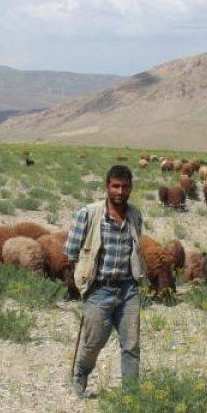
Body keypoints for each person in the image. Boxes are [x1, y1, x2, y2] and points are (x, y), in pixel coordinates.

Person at [63, 164, 147, 398]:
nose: (120, 191)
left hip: (128, 288)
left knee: (131, 344)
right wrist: (81, 283)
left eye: (125, 186)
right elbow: (70, 251)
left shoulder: (135, 215)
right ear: (107, 187)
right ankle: (80, 374)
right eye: (116, 186)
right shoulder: (89, 214)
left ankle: (131, 395)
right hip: (99, 289)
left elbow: (136, 249)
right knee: (94, 341)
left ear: (131, 188)